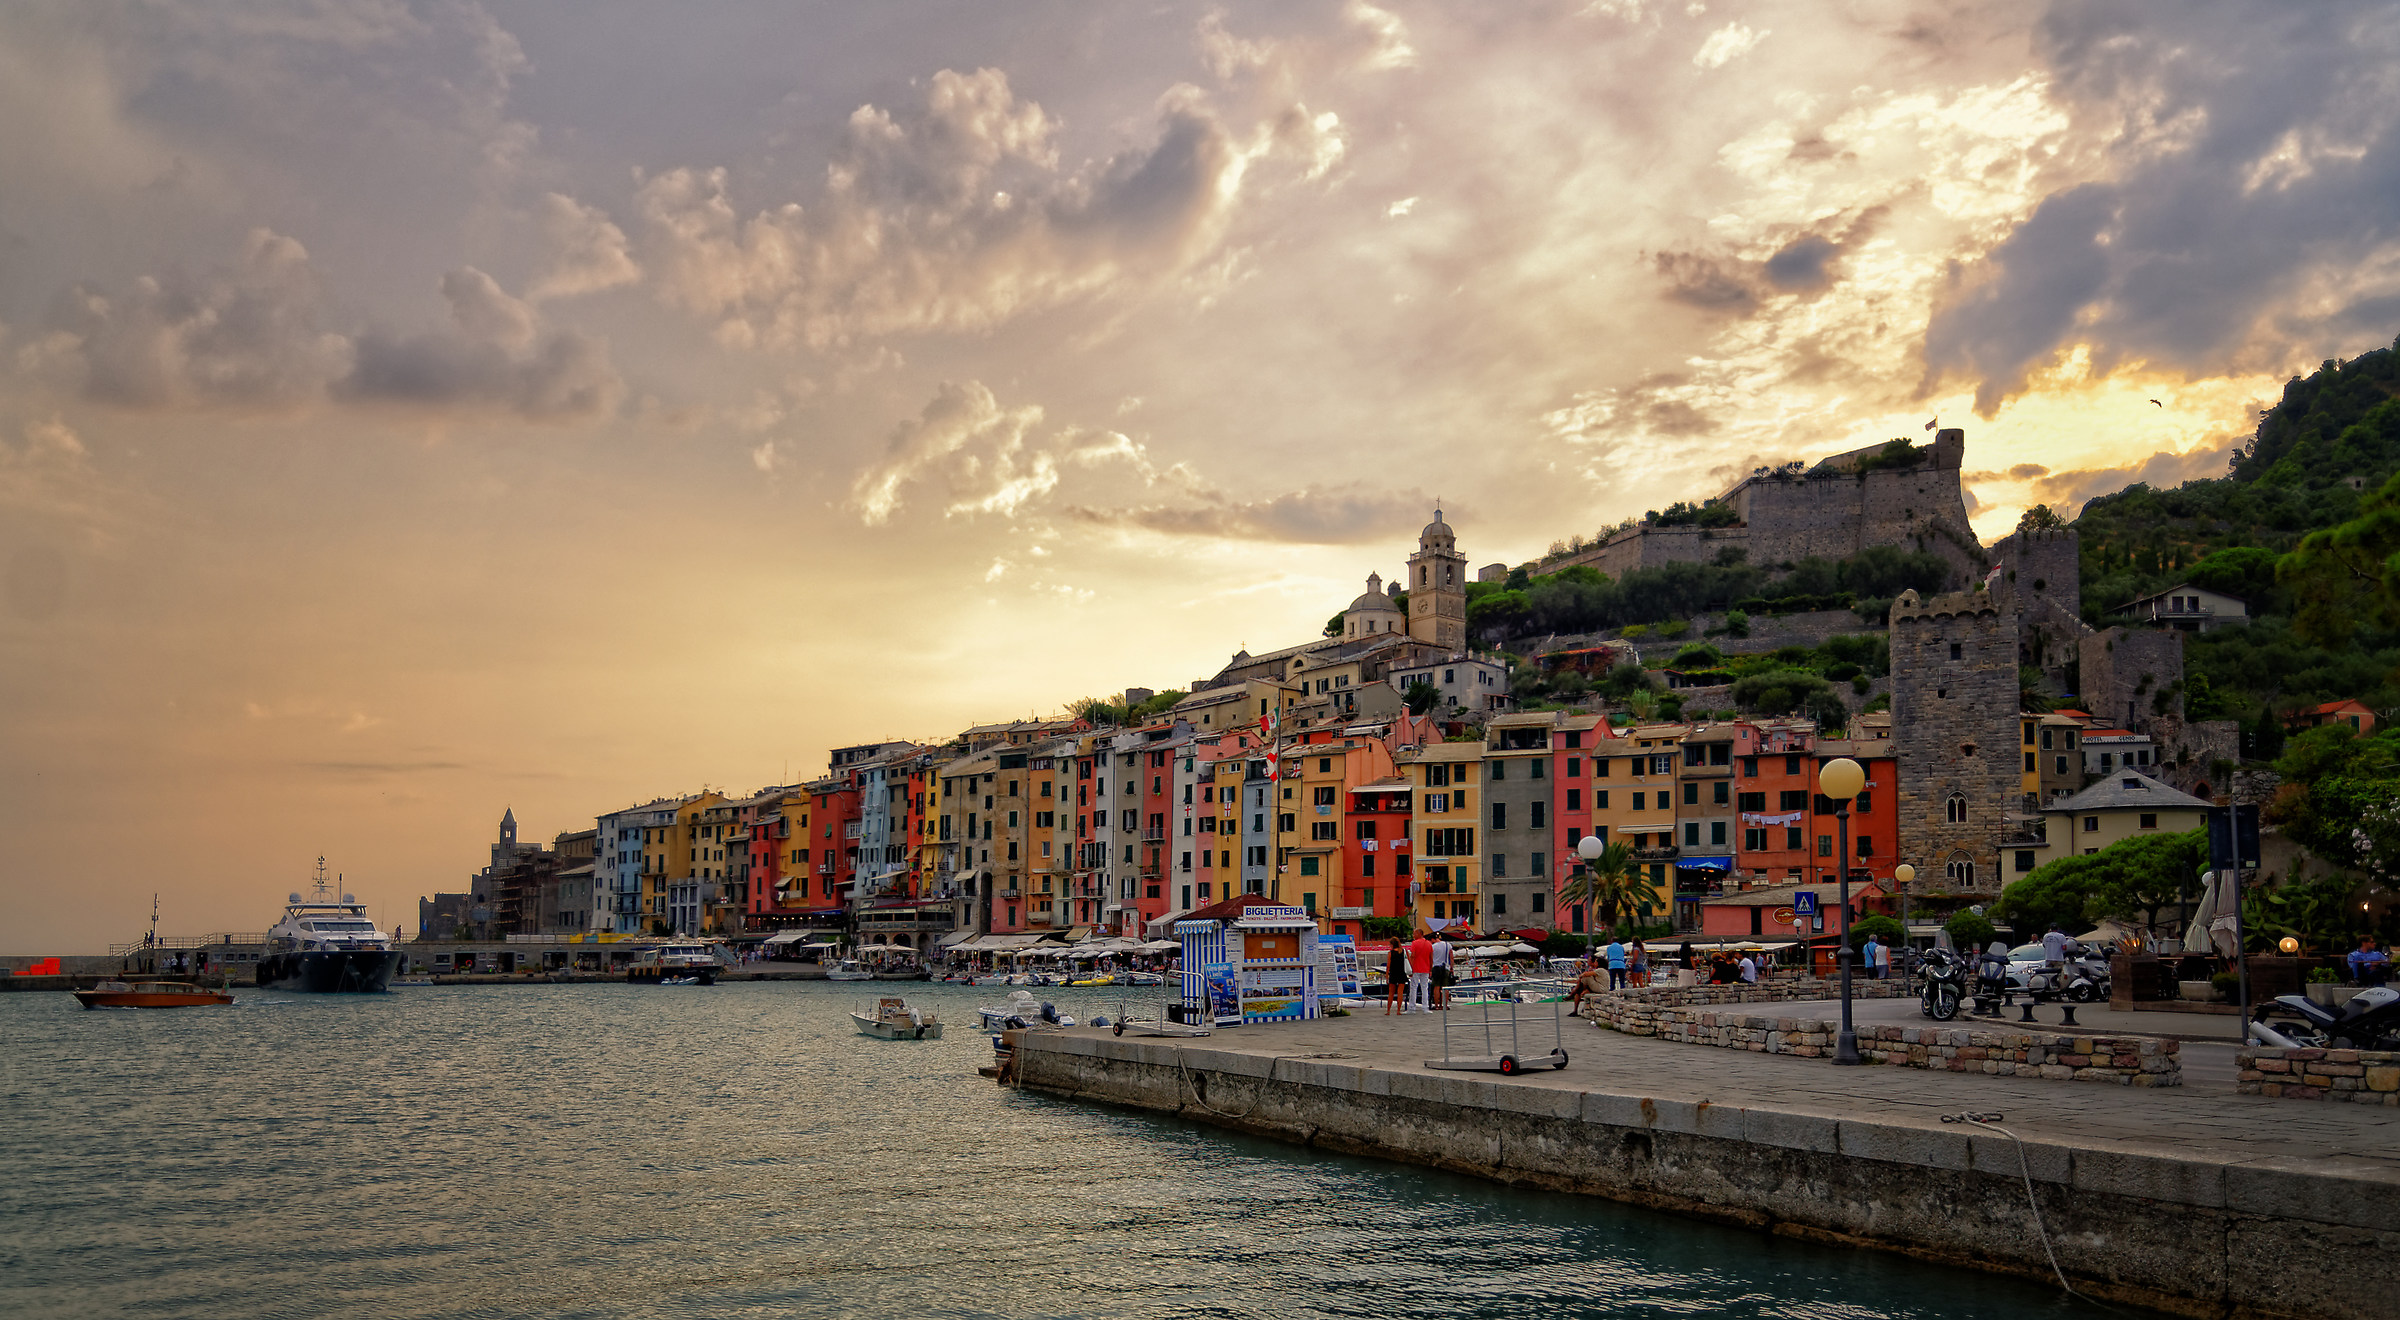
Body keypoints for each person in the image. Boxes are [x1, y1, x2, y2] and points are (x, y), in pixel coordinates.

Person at [1406, 933, 1434, 1012]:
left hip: (1416, 968)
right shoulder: (1429, 944)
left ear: (1419, 934)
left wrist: (1411, 967)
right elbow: (1431, 957)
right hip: (1426, 968)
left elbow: (1413, 956)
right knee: (1425, 988)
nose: (1413, 935)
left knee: (1413, 987)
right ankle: (1425, 1007)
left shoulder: (1414, 943)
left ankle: (1412, 1007)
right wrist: (1430, 969)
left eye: (1414, 934)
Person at [1430, 932, 1454, 1010]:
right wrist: (1451, 968)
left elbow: (1430, 959)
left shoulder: (1433, 947)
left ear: (1433, 939)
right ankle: (1445, 1005)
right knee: (1445, 987)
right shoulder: (1448, 944)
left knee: (1436, 987)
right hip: (1445, 967)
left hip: (1436, 967)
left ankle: (1436, 1005)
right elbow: (1451, 957)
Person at [1384, 947, 1409, 1015]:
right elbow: (1409, 961)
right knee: (1400, 993)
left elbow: (1388, 965)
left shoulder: (1390, 953)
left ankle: (1388, 1010)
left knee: (1391, 993)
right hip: (1401, 973)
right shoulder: (1404, 951)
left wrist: (1387, 975)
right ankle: (1398, 1010)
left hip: (1393, 974)